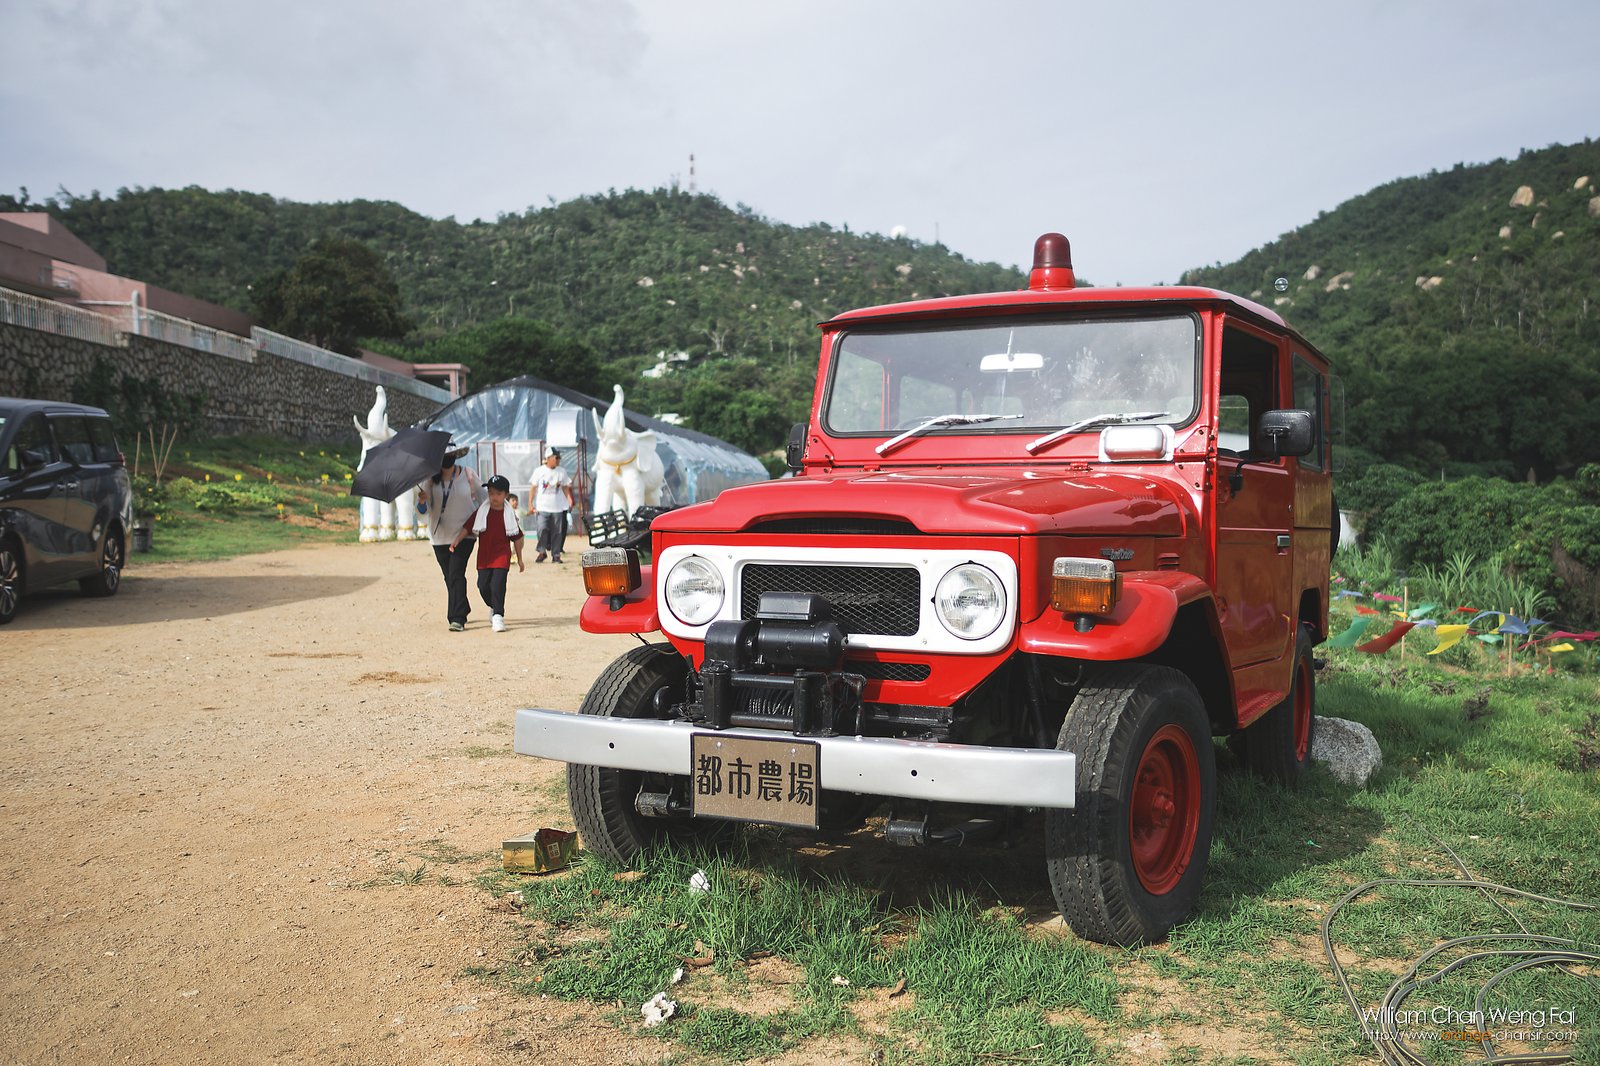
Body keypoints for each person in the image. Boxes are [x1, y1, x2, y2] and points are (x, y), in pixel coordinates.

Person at [416, 443, 481, 631]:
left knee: (455, 573)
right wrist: (421, 501)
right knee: (449, 577)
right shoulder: (429, 480)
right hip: (439, 536)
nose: (448, 458)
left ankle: (457, 617)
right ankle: (463, 606)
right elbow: (423, 511)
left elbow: (485, 498)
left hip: (465, 534)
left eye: (451, 454)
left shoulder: (468, 474)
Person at [451, 474, 524, 632]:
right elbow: (467, 527)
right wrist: (457, 540)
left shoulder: (509, 515)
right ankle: (493, 606)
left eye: (498, 493)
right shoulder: (481, 512)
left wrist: (519, 558)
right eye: (491, 493)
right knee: (483, 586)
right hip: (484, 558)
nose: (494, 497)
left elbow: (517, 537)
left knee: (498, 584)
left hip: (502, 556)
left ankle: (498, 616)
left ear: (505, 494)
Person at [531, 449, 575, 563]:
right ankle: (542, 552)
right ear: (549, 458)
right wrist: (530, 503)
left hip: (558, 507)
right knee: (542, 529)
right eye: (556, 457)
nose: (558, 460)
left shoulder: (562, 472)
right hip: (542, 507)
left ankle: (556, 555)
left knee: (557, 532)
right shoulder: (539, 471)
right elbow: (533, 487)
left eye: (559, 457)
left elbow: (565, 486)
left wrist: (569, 498)